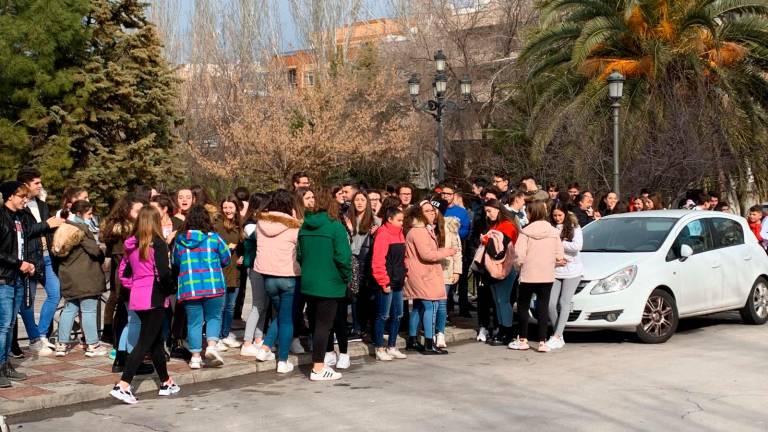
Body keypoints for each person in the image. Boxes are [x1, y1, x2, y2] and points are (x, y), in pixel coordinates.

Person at [111, 206, 180, 404]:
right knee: (144, 343)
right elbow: (163, 273)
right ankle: (123, 384)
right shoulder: (157, 244)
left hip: (138, 295)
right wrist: (170, 289)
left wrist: (135, 285)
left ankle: (166, 381)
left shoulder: (131, 244)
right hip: (154, 296)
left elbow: (123, 273)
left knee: (155, 342)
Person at [0, 181, 61, 387]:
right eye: (21, 196)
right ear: (9, 197)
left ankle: (6, 364)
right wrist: (19, 263)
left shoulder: (21, 217)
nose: (25, 200)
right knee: (3, 325)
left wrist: (31, 264)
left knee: (8, 326)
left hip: (18, 277)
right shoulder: (2, 217)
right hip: (4, 278)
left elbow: (26, 242)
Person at [297, 190, 352, 381]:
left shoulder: (304, 227)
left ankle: (319, 363)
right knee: (324, 326)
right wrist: (347, 277)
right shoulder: (335, 227)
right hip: (330, 282)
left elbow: (299, 255)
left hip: (309, 281)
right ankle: (318, 368)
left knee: (314, 324)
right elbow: (344, 257)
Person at [173, 205, 231, 369]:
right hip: (213, 286)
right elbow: (226, 259)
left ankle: (195, 357)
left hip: (190, 288)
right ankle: (211, 346)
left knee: (194, 322)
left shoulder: (180, 240)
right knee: (214, 317)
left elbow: (175, 262)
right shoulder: (214, 238)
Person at [253, 190, 302, 374]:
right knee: (287, 319)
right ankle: (282, 360)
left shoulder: (261, 223)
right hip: (289, 275)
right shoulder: (294, 227)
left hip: (267, 277)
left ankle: (265, 348)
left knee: (281, 314)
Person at [55, 200, 109, 357]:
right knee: (89, 310)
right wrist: (101, 253)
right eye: (89, 214)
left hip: (68, 274)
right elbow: (94, 250)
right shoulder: (81, 228)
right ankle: (93, 344)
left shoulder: (63, 227)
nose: (91, 217)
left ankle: (61, 344)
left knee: (69, 309)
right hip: (85, 275)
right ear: (79, 213)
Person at [508, 201, 564, 353]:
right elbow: (560, 255)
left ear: (531, 213)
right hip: (546, 275)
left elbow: (519, 255)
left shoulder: (525, 232)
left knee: (523, 307)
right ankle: (542, 342)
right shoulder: (553, 232)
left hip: (528, 275)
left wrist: (518, 267)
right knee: (543, 307)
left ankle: (523, 339)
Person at [16, 167, 58, 356]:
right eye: (36, 183)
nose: (40, 186)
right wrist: (47, 224)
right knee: (28, 301)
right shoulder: (18, 205)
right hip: (29, 258)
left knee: (55, 293)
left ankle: (41, 334)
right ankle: (33, 338)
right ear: (26, 185)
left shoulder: (41, 204)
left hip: (47, 256)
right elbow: (25, 231)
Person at [404, 201, 456, 355]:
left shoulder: (419, 230)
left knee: (419, 307)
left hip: (420, 273)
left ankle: (412, 340)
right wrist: (446, 252)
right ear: (419, 213)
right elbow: (426, 254)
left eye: (432, 210)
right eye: (427, 211)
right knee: (430, 306)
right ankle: (428, 343)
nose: (432, 213)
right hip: (424, 274)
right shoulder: (419, 231)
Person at [102, 194, 146, 360]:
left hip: (127, 277)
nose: (141, 214)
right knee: (123, 311)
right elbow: (123, 260)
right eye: (137, 211)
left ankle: (124, 347)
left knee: (127, 312)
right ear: (127, 211)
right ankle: (119, 348)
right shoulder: (123, 231)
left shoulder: (130, 228)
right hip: (126, 279)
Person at [340, 191, 378, 346]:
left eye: (363, 200)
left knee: (367, 294)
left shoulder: (375, 220)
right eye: (357, 200)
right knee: (354, 295)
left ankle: (366, 327)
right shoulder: (347, 219)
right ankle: (356, 326)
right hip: (352, 260)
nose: (360, 203)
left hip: (368, 260)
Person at [370, 206, 408, 361]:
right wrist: (383, 281)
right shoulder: (383, 234)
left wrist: (405, 273)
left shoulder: (400, 234)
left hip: (398, 280)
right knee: (383, 315)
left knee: (398, 315)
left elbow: (403, 257)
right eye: (399, 220)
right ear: (390, 219)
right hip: (387, 281)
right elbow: (378, 261)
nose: (402, 223)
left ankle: (391, 346)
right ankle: (379, 347)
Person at [480, 199, 518, 346]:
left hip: (504, 267)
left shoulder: (507, 225)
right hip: (495, 268)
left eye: (490, 211)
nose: (488, 215)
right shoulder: (497, 225)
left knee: (503, 300)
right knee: (498, 301)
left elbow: (499, 249)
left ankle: (506, 332)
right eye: (486, 212)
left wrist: (485, 240)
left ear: (498, 209)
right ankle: (502, 330)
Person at [546, 202, 583, 350]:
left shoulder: (575, 227)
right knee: (550, 304)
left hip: (572, 270)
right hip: (555, 269)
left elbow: (577, 247)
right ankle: (559, 335)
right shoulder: (550, 227)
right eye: (554, 215)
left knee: (564, 302)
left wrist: (560, 243)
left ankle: (556, 336)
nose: (557, 218)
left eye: (560, 215)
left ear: (565, 214)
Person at [240, 193, 270, 356]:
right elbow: (260, 236)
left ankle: (258, 338)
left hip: (264, 266)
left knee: (264, 305)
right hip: (255, 268)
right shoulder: (250, 225)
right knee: (258, 305)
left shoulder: (259, 222)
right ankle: (247, 342)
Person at [214, 195, 244, 351]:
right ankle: (216, 336)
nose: (228, 210)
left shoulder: (240, 224)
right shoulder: (217, 225)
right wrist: (227, 247)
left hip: (235, 270)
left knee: (230, 306)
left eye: (231, 207)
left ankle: (225, 334)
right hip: (221, 269)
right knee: (220, 305)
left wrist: (243, 255)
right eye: (225, 207)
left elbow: (244, 245)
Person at [441, 183, 471, 317]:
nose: (445, 196)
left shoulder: (461, 212)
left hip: (456, 249)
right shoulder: (438, 209)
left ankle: (463, 308)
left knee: (459, 280)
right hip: (441, 249)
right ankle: (446, 310)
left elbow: (466, 229)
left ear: (454, 195)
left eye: (448, 194)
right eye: (443, 193)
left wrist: (456, 235)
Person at [436, 213, 462, 349]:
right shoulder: (422, 226)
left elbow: (457, 250)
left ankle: (440, 332)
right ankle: (428, 331)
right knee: (427, 304)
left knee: (441, 303)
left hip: (446, 269)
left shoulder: (450, 226)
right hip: (427, 271)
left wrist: (457, 270)